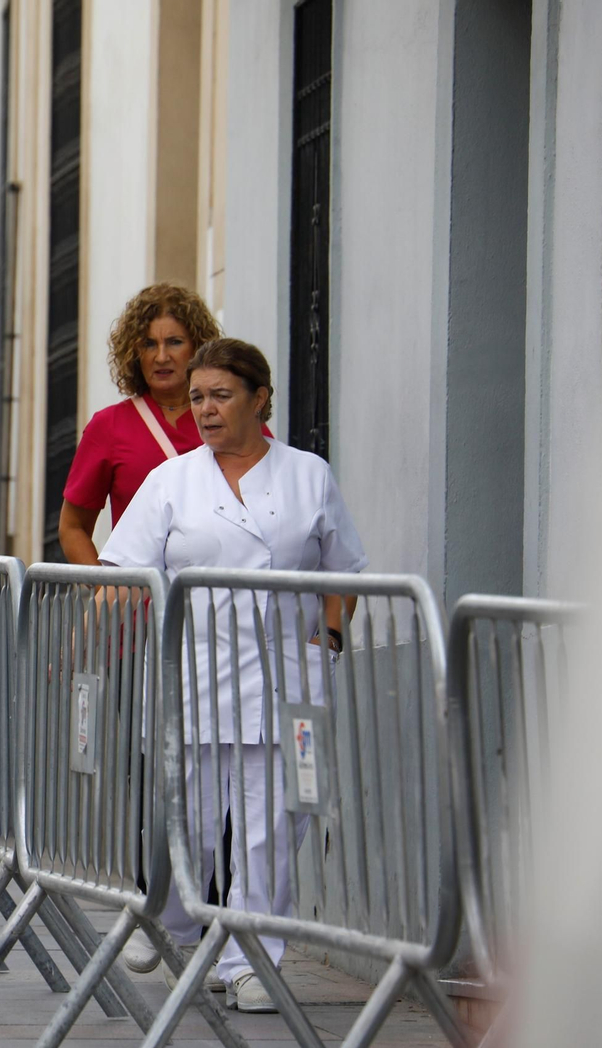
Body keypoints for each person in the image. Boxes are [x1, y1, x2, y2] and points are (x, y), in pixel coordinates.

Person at [100, 338, 366, 1012]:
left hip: (288, 681)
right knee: (186, 817)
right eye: (197, 399)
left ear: (260, 398)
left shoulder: (308, 475)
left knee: (271, 826)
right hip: (197, 679)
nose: (207, 410)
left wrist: (329, 637)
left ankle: (253, 960)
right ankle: (170, 920)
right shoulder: (174, 480)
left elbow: (348, 572)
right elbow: (122, 570)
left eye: (220, 396)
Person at [59, 284, 225, 567]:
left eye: (174, 342)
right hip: (139, 608)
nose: (161, 356)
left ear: (197, 347)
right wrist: (108, 594)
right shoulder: (108, 426)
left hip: (216, 604)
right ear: (134, 353)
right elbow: (72, 528)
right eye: (149, 344)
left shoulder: (229, 416)